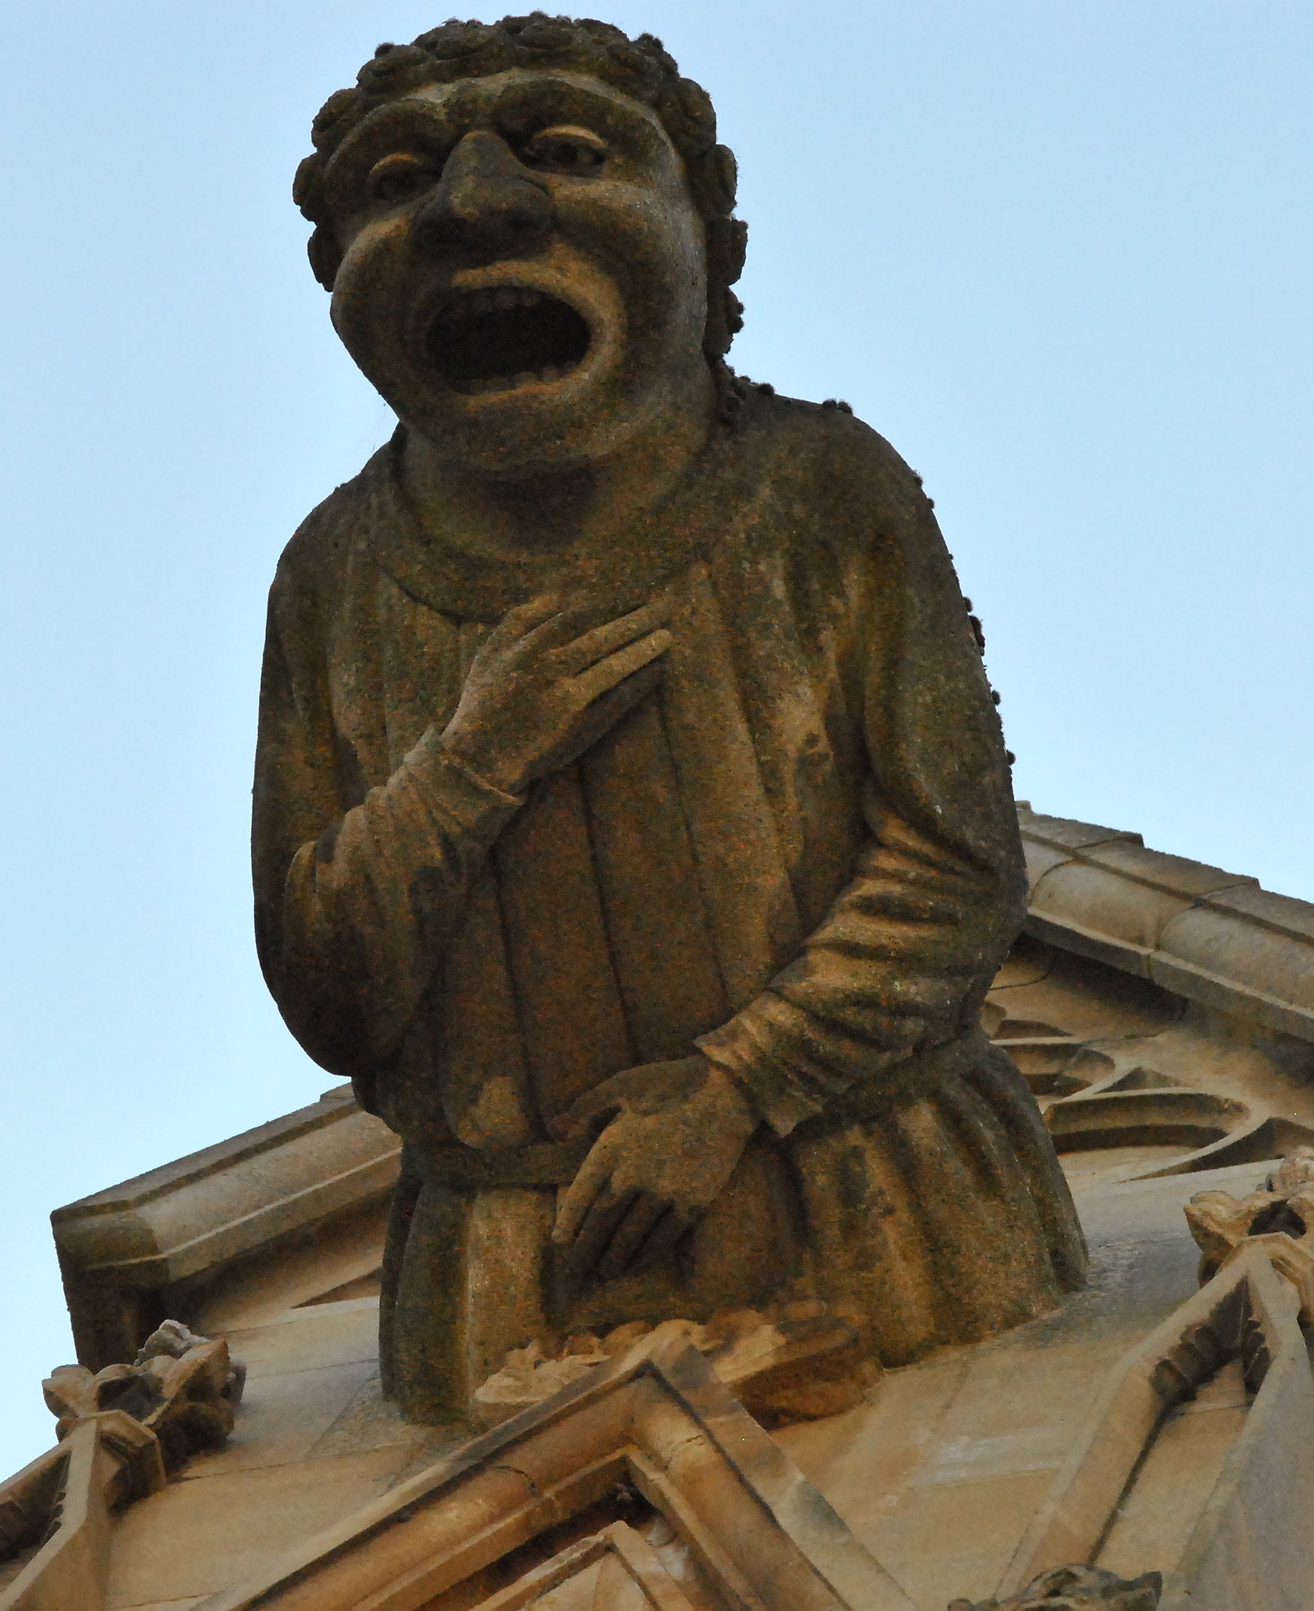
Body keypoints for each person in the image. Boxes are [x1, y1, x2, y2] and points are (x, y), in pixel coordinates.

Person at [252, 14, 1086, 1423]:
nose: (474, 205)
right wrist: (471, 765)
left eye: (572, 152)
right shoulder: (332, 573)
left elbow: (953, 864)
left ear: (711, 249)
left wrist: (733, 1088)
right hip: (505, 1282)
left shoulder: (821, 486)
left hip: (877, 1220)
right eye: (394, 184)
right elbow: (328, 989)